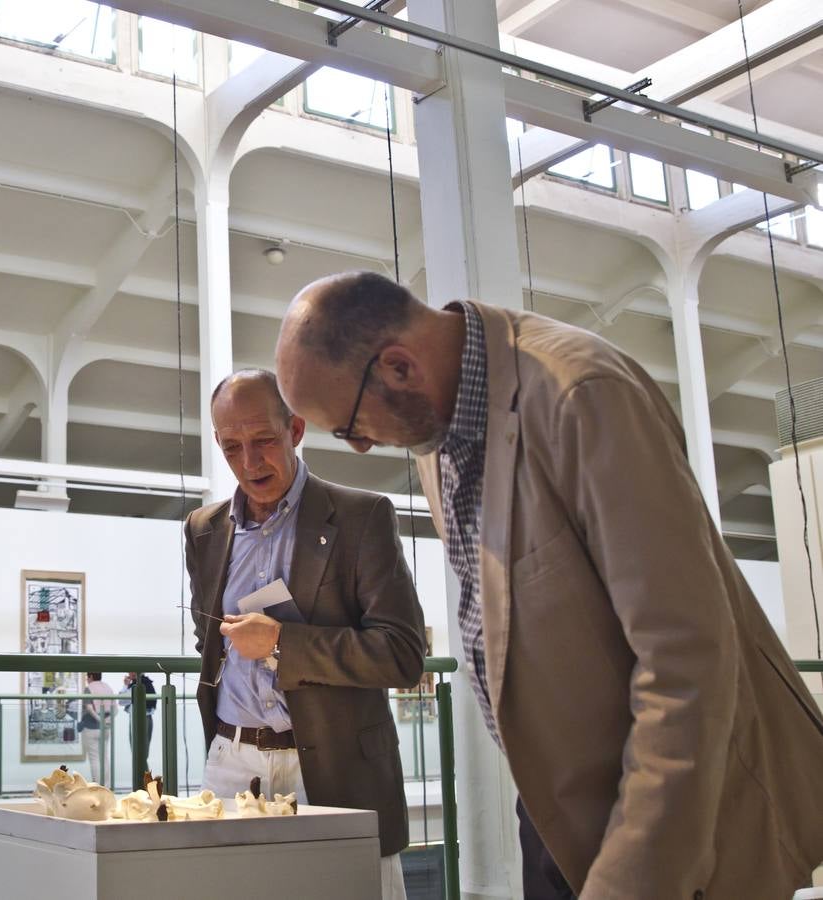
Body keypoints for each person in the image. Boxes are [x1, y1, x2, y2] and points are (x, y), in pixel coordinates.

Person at [275, 270, 823, 898]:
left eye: (349, 427)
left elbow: (687, 658)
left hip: (678, 815)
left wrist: (634, 879)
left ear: (399, 367)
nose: (364, 446)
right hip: (559, 808)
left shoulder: (581, 395)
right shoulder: (434, 429)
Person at [185, 368, 424, 900]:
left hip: (333, 767)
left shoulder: (362, 518)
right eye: (231, 447)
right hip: (231, 763)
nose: (249, 462)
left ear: (295, 429)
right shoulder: (203, 529)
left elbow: (403, 654)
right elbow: (210, 641)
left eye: (264, 440)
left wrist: (280, 645)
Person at [77, 673, 114, 785]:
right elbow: (115, 708)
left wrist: (99, 719)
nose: (87, 679)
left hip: (91, 727)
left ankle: (97, 786)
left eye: (88, 677)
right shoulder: (108, 688)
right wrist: (106, 721)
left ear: (91, 676)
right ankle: (106, 787)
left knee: (94, 759)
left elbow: (88, 708)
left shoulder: (89, 689)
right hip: (106, 729)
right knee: (105, 758)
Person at [119, 672, 157, 777]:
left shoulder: (136, 686)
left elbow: (122, 700)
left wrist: (125, 685)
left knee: (138, 754)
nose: (128, 674)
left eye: (130, 671)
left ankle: (145, 782)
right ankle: (146, 782)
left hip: (139, 719)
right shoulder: (147, 683)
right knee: (142, 754)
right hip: (147, 718)